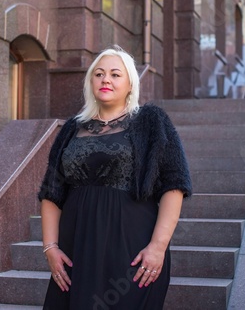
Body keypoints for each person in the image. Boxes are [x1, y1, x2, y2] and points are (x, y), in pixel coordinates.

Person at [38, 45, 191, 309]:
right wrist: (50, 247)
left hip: (132, 249)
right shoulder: (71, 128)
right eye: (98, 74)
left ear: (131, 84)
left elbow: (174, 185)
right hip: (77, 249)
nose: (105, 79)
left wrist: (158, 246)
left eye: (115, 74)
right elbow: (51, 192)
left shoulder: (151, 121)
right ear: (90, 82)